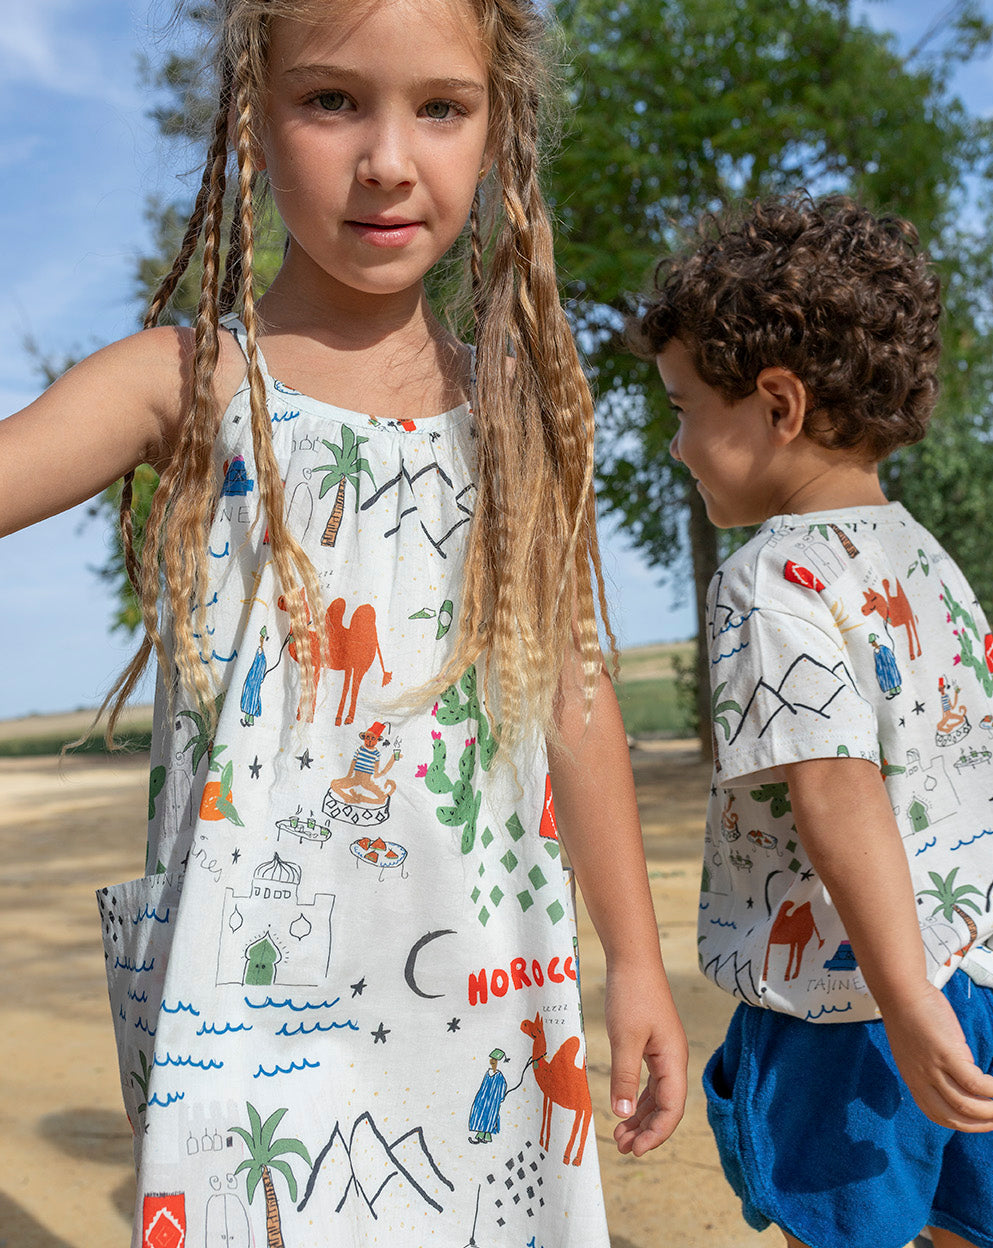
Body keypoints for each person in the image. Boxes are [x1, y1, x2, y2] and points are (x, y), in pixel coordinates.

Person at [0, 1, 687, 1244]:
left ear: (497, 130)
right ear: (251, 121)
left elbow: (571, 694)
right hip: (243, 1003)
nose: (386, 158)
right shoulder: (185, 382)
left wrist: (633, 956)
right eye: (331, 101)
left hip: (486, 986)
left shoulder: (520, 413)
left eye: (440, 108)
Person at [629, 195, 993, 1248]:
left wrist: (901, 999)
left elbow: (836, 786)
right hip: (973, 982)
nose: (675, 445)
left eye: (684, 407)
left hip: (847, 1006)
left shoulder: (770, 576)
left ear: (778, 405)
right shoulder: (926, 561)